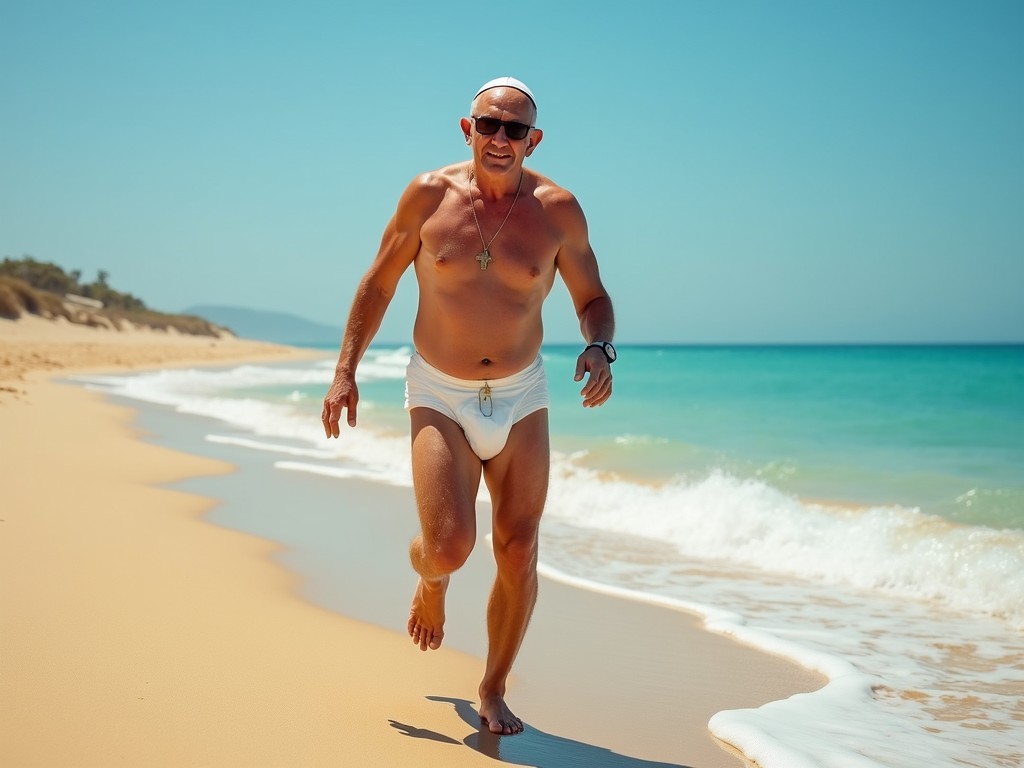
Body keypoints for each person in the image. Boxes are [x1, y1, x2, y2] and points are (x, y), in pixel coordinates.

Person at [321, 76, 615, 736]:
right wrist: (345, 372)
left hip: (522, 394)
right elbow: (379, 281)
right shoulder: (429, 196)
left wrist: (600, 347)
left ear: (533, 139)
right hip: (440, 392)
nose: (501, 139)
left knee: (518, 549)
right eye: (490, 125)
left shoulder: (558, 211)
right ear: (467, 128)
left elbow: (592, 297)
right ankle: (430, 578)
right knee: (450, 547)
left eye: (516, 130)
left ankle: (493, 684)